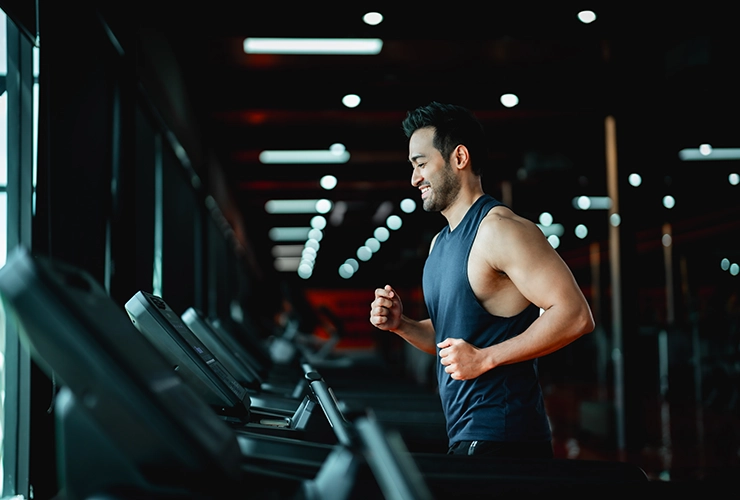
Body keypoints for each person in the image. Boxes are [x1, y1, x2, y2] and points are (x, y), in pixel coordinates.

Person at [369, 101, 595, 459]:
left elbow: (575, 315)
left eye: (421, 164)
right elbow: (454, 340)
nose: (414, 179)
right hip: (464, 433)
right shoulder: (439, 243)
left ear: (459, 157)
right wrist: (403, 325)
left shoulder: (500, 230)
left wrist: (486, 358)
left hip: (505, 437)